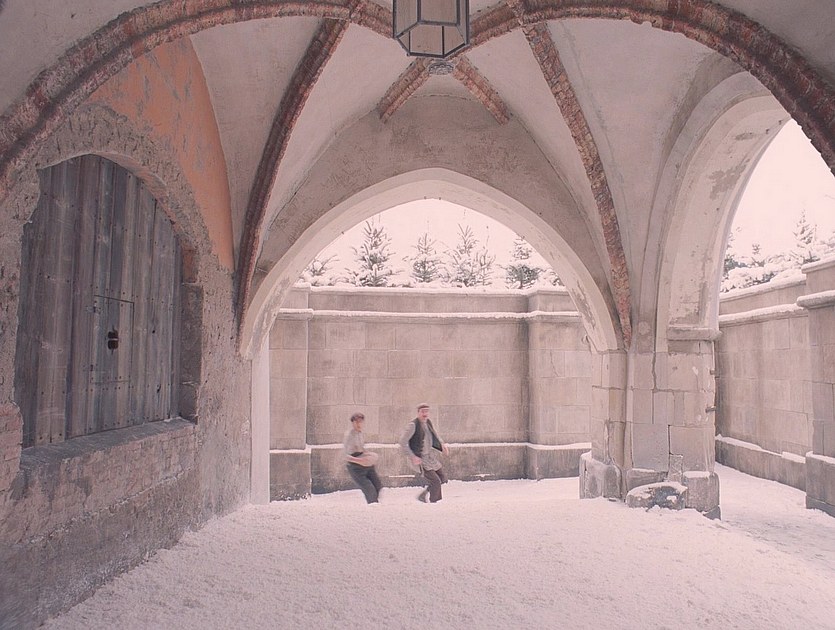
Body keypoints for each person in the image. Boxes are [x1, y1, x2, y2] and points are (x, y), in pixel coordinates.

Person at [399, 403, 450, 503]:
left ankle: (423, 495)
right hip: (420, 458)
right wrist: (412, 456)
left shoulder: (428, 422)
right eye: (422, 411)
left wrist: (442, 445)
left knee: (442, 478)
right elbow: (402, 442)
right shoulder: (413, 425)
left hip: (429, 457)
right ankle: (434, 502)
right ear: (418, 412)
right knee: (436, 481)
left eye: (426, 411)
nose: (425, 414)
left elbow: (435, 435)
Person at [343, 412, 382, 504]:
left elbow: (361, 448)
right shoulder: (349, 436)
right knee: (369, 489)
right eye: (356, 422)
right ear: (353, 423)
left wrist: (369, 456)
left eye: (361, 422)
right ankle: (373, 505)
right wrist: (359, 460)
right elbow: (346, 455)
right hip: (355, 466)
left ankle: (374, 504)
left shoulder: (360, 433)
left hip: (365, 462)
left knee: (377, 485)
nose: (359, 424)